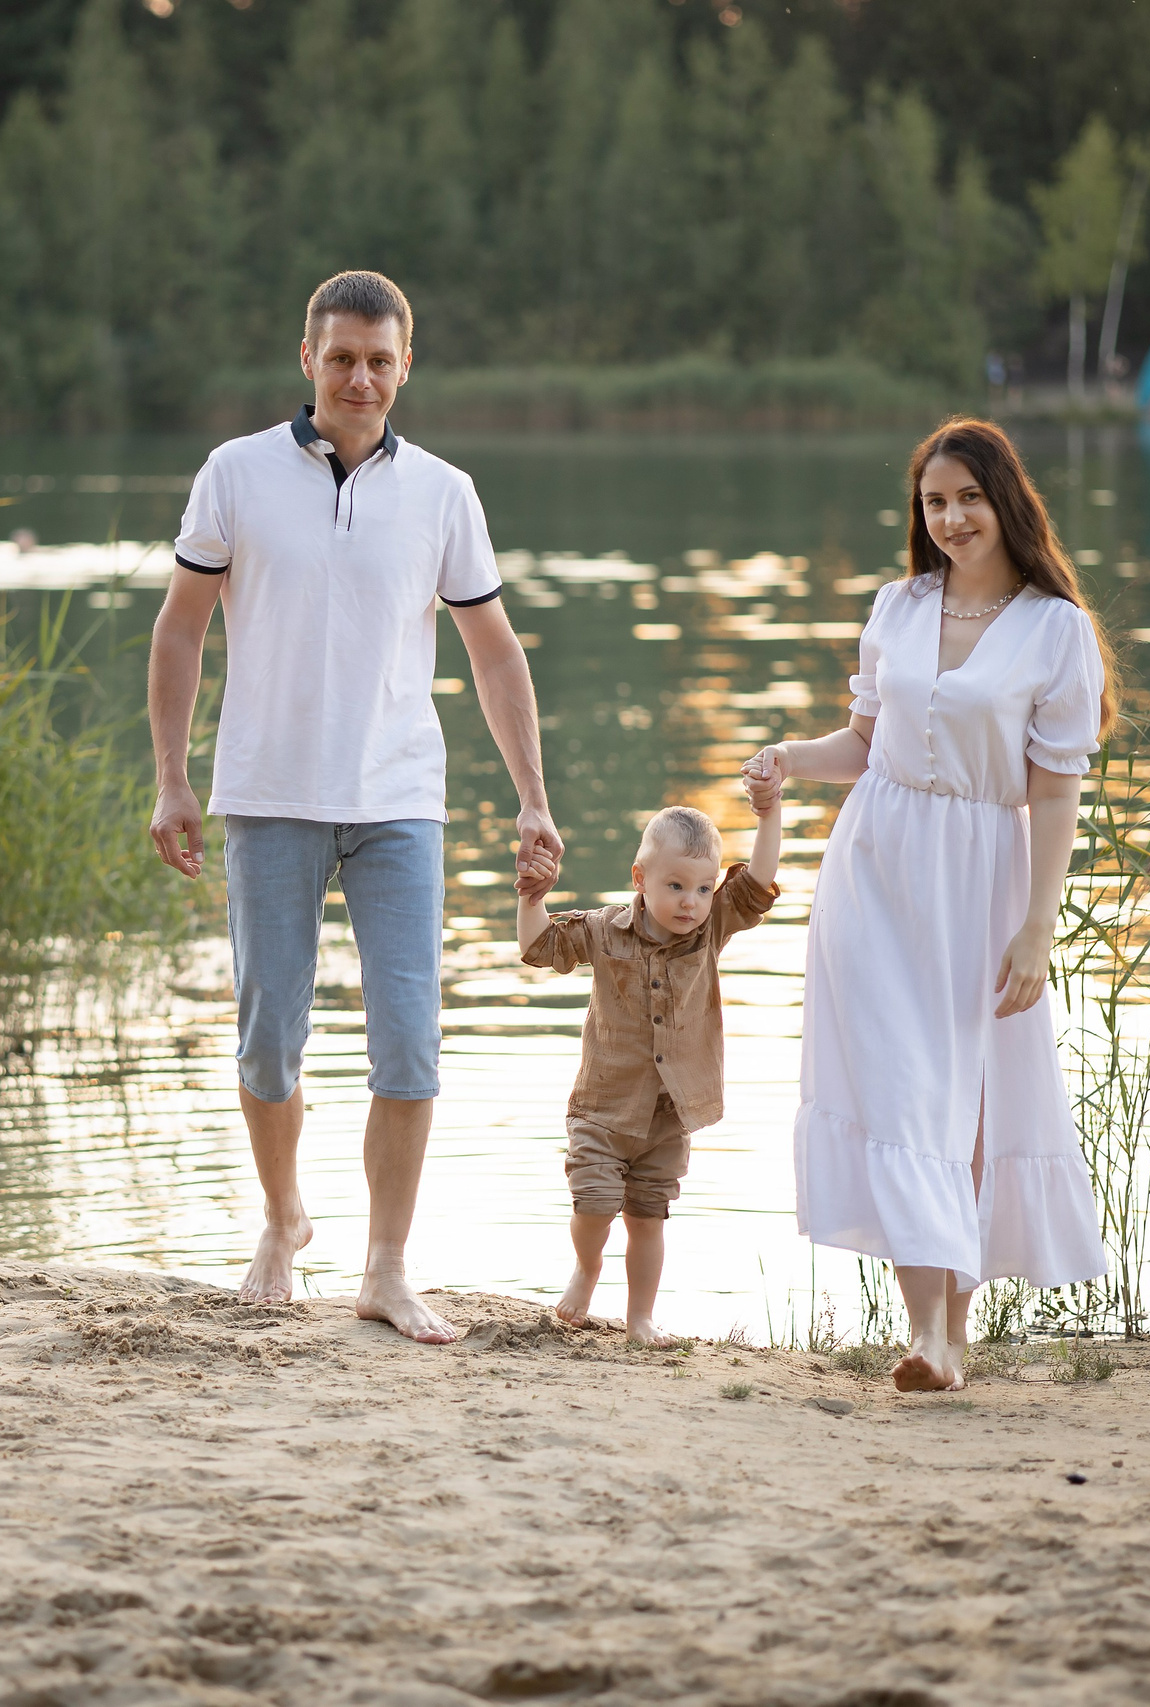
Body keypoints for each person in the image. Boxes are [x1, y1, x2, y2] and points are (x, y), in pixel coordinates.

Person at [147, 270, 563, 1345]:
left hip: (398, 803)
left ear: (406, 365)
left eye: (380, 360)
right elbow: (181, 628)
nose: (361, 377)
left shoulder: (444, 493)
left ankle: (384, 1266)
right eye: (341, 357)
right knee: (267, 1040)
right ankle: (283, 1221)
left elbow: (492, 650)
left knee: (410, 1045)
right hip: (268, 794)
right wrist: (172, 778)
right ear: (308, 360)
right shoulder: (234, 474)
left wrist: (531, 797)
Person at [745, 416, 1112, 1392]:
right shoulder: (899, 607)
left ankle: (956, 1330)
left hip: (986, 881)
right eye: (933, 502)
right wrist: (788, 758)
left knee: (972, 1104)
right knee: (903, 1093)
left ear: (1006, 503)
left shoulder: (1055, 630)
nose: (949, 519)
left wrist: (1038, 926)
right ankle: (929, 1337)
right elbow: (863, 746)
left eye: (967, 500)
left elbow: (1056, 790)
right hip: (875, 871)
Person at [513, 804, 779, 1347]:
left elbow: (757, 883)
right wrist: (531, 899)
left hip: (668, 1112)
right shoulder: (605, 930)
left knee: (648, 1216)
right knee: (594, 1204)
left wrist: (768, 812)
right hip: (604, 1106)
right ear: (641, 879)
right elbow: (539, 947)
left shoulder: (710, 931)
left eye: (704, 889)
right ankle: (587, 1269)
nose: (692, 901)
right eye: (677, 885)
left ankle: (640, 1319)